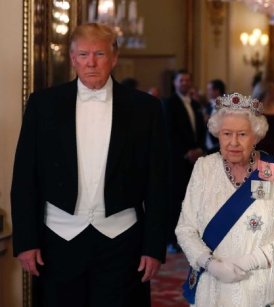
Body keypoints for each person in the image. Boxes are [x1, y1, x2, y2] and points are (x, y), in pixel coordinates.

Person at [10, 23, 168, 307]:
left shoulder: (146, 108)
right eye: (83, 54)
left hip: (122, 241)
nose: (91, 62)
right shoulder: (42, 105)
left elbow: (158, 182)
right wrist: (25, 241)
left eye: (99, 54)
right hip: (58, 239)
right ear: (72, 59)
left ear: (114, 58)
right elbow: (24, 179)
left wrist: (154, 246)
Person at [175, 93, 274, 306]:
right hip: (213, 284)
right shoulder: (204, 168)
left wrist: (249, 261)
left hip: (261, 286)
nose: (233, 142)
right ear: (218, 135)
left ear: (256, 135)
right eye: (226, 134)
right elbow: (185, 229)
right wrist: (211, 264)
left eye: (242, 134)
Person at [164, 69, 206, 253]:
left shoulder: (196, 104)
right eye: (181, 80)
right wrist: (185, 152)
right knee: (175, 201)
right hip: (178, 160)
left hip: (195, 160)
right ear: (175, 83)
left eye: (187, 80)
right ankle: (173, 240)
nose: (185, 83)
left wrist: (199, 149)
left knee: (193, 201)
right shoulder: (169, 104)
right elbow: (168, 133)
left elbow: (201, 130)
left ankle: (191, 238)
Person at [205, 79, 226, 153]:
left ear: (217, 91)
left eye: (209, 90)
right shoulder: (209, 105)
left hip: (219, 144)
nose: (208, 92)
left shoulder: (226, 106)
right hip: (208, 145)